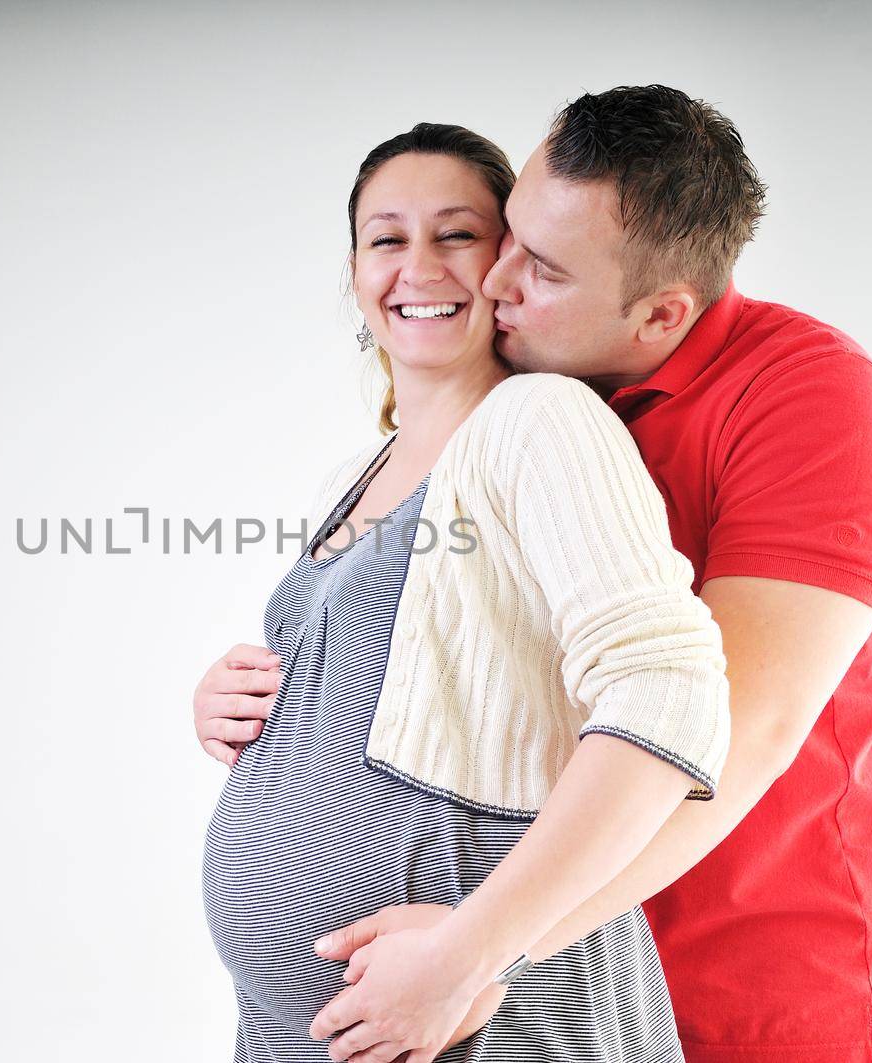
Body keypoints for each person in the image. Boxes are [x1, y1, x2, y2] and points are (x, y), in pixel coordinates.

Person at [195, 88, 872, 1063]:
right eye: (506, 237)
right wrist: (274, 702)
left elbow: (736, 730)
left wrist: (478, 951)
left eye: (538, 268)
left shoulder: (806, 398)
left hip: (761, 998)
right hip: (535, 979)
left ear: (659, 313)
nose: (497, 279)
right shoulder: (518, 400)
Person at [200, 121, 732, 1063]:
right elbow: (409, 690)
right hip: (310, 1029)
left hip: (486, 1012)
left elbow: (671, 688)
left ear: (505, 263)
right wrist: (238, 706)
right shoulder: (351, 478)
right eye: (386, 237)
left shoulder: (539, 421)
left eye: (456, 234)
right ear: (356, 274)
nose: (420, 265)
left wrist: (470, 948)